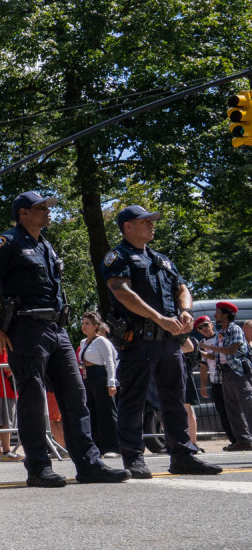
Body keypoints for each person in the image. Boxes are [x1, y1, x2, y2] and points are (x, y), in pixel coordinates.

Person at [0, 191, 129, 488]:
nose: (47, 212)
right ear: (23, 213)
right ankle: (39, 467)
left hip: (58, 329)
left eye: (47, 207)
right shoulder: (7, 242)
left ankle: (89, 464)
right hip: (26, 327)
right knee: (32, 398)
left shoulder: (45, 244)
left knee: (75, 395)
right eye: (40, 208)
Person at [103, 205, 219, 478]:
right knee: (133, 400)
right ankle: (133, 458)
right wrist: (159, 318)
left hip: (169, 341)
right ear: (127, 226)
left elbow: (182, 288)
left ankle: (183, 456)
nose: (152, 225)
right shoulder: (118, 257)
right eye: (145, 221)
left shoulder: (161, 259)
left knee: (174, 400)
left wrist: (186, 312)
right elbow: (121, 291)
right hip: (138, 340)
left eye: (152, 221)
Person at [204, 301, 252, 451]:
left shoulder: (234, 329)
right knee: (232, 409)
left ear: (225, 314)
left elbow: (232, 350)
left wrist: (210, 347)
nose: (215, 315)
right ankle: (243, 440)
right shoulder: (221, 333)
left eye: (217, 312)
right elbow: (217, 356)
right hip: (225, 372)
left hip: (238, 372)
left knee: (248, 406)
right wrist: (201, 352)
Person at [76, 311, 119, 458]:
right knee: (92, 411)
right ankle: (97, 446)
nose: (84, 326)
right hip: (88, 376)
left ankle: (113, 446)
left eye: (87, 323)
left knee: (106, 411)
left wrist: (111, 382)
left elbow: (110, 361)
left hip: (100, 375)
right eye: (83, 323)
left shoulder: (102, 341)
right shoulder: (83, 342)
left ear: (95, 326)